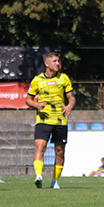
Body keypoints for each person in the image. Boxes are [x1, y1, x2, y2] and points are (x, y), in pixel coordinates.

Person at [26, 51, 75, 189]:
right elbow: (28, 100)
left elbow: (71, 97)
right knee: (40, 148)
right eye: (54, 61)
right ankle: (38, 176)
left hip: (60, 120)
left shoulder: (64, 78)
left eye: (58, 61)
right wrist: (37, 105)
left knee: (60, 152)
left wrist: (70, 105)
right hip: (43, 119)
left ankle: (55, 181)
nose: (57, 63)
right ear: (46, 64)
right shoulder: (37, 80)